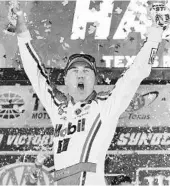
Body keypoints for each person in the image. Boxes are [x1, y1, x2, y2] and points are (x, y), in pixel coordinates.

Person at [13, 2, 170, 186]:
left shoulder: (105, 107)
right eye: (75, 70)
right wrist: (21, 30)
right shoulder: (57, 108)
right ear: (65, 80)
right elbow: (35, 72)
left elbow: (137, 72)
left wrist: (156, 31)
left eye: (86, 71)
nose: (80, 73)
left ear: (94, 80)